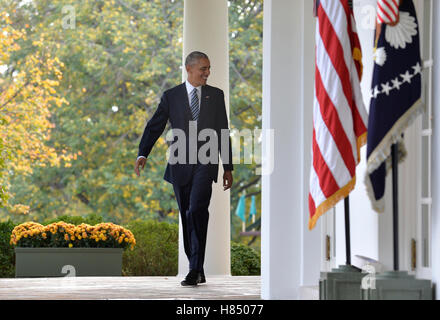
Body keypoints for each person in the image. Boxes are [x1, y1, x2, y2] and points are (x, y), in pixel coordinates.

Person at [135, 51, 233, 286]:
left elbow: (222, 131)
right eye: (203, 69)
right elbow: (155, 125)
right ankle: (196, 267)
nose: (207, 73)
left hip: (206, 162)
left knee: (197, 209)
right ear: (189, 69)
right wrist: (143, 153)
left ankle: (194, 269)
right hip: (179, 164)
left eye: (209, 69)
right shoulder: (172, 96)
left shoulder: (216, 96)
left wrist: (227, 167)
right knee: (187, 215)